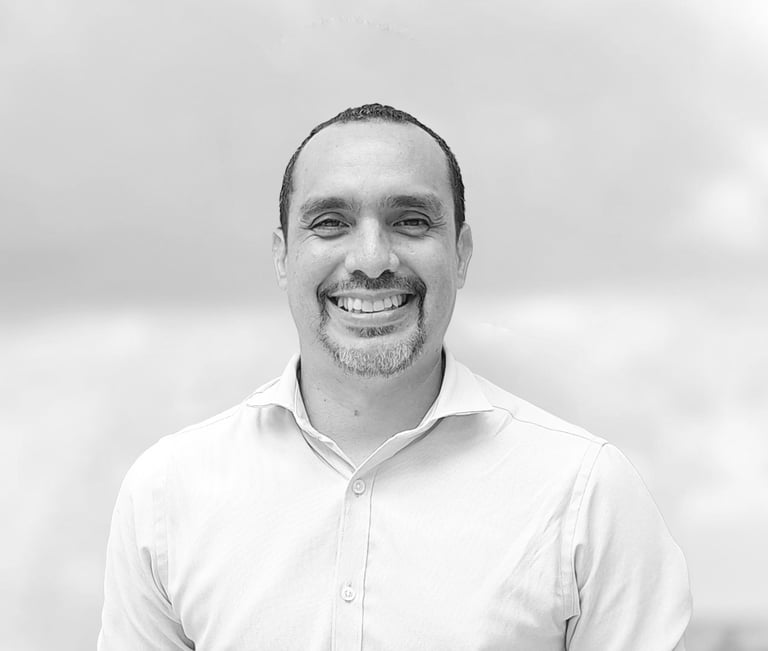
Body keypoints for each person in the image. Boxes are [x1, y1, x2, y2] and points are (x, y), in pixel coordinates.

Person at [98, 103, 692, 650]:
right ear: (282, 256)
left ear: (460, 254)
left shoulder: (586, 494)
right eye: (331, 222)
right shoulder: (167, 494)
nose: (373, 259)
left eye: (410, 221)